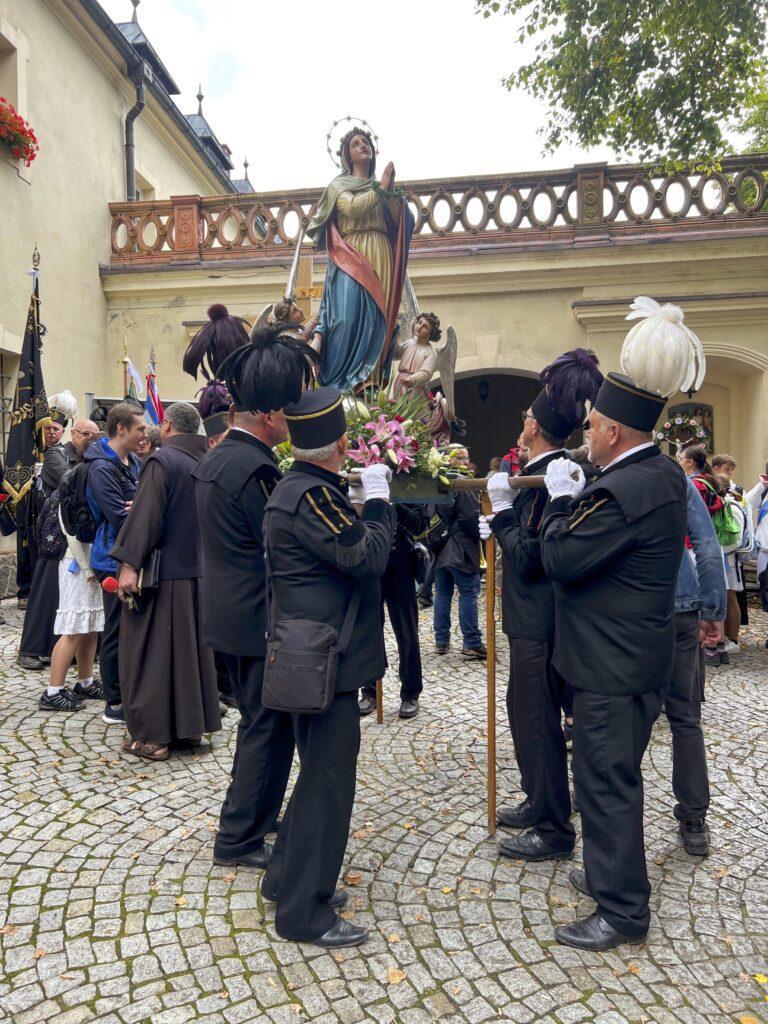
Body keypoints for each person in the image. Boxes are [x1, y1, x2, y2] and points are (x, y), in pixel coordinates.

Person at [540, 367, 687, 951]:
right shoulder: (663, 473)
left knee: (605, 781)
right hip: (633, 656)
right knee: (609, 774)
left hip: (612, 664)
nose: (587, 431)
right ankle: (608, 872)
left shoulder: (622, 491)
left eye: (595, 424)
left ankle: (623, 909)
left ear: (617, 433)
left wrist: (558, 502)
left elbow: (561, 558)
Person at [260, 387, 395, 947]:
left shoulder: (303, 489)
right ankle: (303, 912)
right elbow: (365, 556)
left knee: (316, 773)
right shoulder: (311, 497)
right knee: (328, 785)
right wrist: (382, 506)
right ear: (340, 443)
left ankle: (286, 876)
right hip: (324, 659)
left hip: (314, 653)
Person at [194, 324, 317, 870]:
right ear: (269, 415)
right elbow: (277, 545)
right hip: (253, 617)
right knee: (264, 729)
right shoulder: (255, 468)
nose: (292, 421)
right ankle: (240, 836)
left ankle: (256, 820)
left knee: (262, 725)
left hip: (228, 610)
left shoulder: (220, 457)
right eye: (288, 411)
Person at [482, 349, 602, 860]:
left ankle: (553, 828)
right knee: (521, 711)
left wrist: (504, 517)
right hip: (530, 621)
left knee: (537, 720)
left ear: (536, 428)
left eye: (527, 417)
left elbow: (533, 560)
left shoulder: (548, 476)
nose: (522, 421)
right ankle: (539, 797)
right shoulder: (539, 470)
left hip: (540, 622)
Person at [110, 403, 220, 761]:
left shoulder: (162, 461)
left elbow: (147, 517)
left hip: (163, 577)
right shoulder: (205, 462)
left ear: (168, 425)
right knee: (186, 657)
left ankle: (153, 738)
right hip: (197, 574)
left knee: (150, 656)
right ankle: (187, 730)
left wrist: (128, 565)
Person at [306, 128, 413, 390]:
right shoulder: (338, 186)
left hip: (380, 250)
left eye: (366, 142)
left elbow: (402, 223)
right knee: (345, 318)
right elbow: (351, 209)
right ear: (347, 154)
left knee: (379, 317)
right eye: (356, 144)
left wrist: (392, 196)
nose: (363, 146)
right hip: (350, 253)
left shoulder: (384, 188)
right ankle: (340, 382)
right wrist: (381, 190)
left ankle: (368, 379)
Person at [666, 476, 726, 856]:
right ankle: (693, 818)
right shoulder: (677, 479)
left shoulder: (616, 472)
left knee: (625, 715)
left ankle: (603, 803)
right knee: (685, 717)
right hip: (681, 604)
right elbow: (706, 543)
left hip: (640, 610)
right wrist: (713, 607)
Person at [17, 406, 99, 671]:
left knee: (68, 599)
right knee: (45, 593)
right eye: (84, 433)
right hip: (56, 535)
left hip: (78, 537)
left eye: (93, 435)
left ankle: (63, 650)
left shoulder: (89, 460)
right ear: (73, 433)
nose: (88, 438)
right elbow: (68, 482)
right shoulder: (57, 454)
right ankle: (31, 648)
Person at [84, 403, 145, 726]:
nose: (144, 434)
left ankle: (129, 690)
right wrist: (139, 506)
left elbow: (137, 504)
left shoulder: (132, 461)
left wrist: (137, 504)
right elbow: (118, 514)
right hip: (110, 560)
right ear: (121, 428)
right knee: (116, 629)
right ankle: (114, 701)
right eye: (139, 429)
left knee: (130, 627)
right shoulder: (101, 468)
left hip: (129, 555)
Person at [38, 481, 105, 712]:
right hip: (75, 566)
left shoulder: (91, 481)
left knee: (90, 625)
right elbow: (72, 534)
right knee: (73, 627)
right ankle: (53, 691)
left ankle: (85, 681)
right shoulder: (74, 486)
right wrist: (87, 568)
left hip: (90, 564)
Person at [359, 503, 426, 720]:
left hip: (401, 566)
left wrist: (397, 506)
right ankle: (369, 690)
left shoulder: (406, 482)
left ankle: (410, 692)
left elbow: (420, 524)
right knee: (369, 631)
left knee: (407, 632)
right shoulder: (362, 480)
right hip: (370, 566)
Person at [432, 489, 485, 658]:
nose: (465, 461)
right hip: (460, 547)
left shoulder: (433, 483)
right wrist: (482, 533)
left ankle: (441, 641)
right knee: (468, 593)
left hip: (440, 547)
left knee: (442, 594)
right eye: (462, 459)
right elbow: (470, 518)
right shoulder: (461, 484)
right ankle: (472, 642)